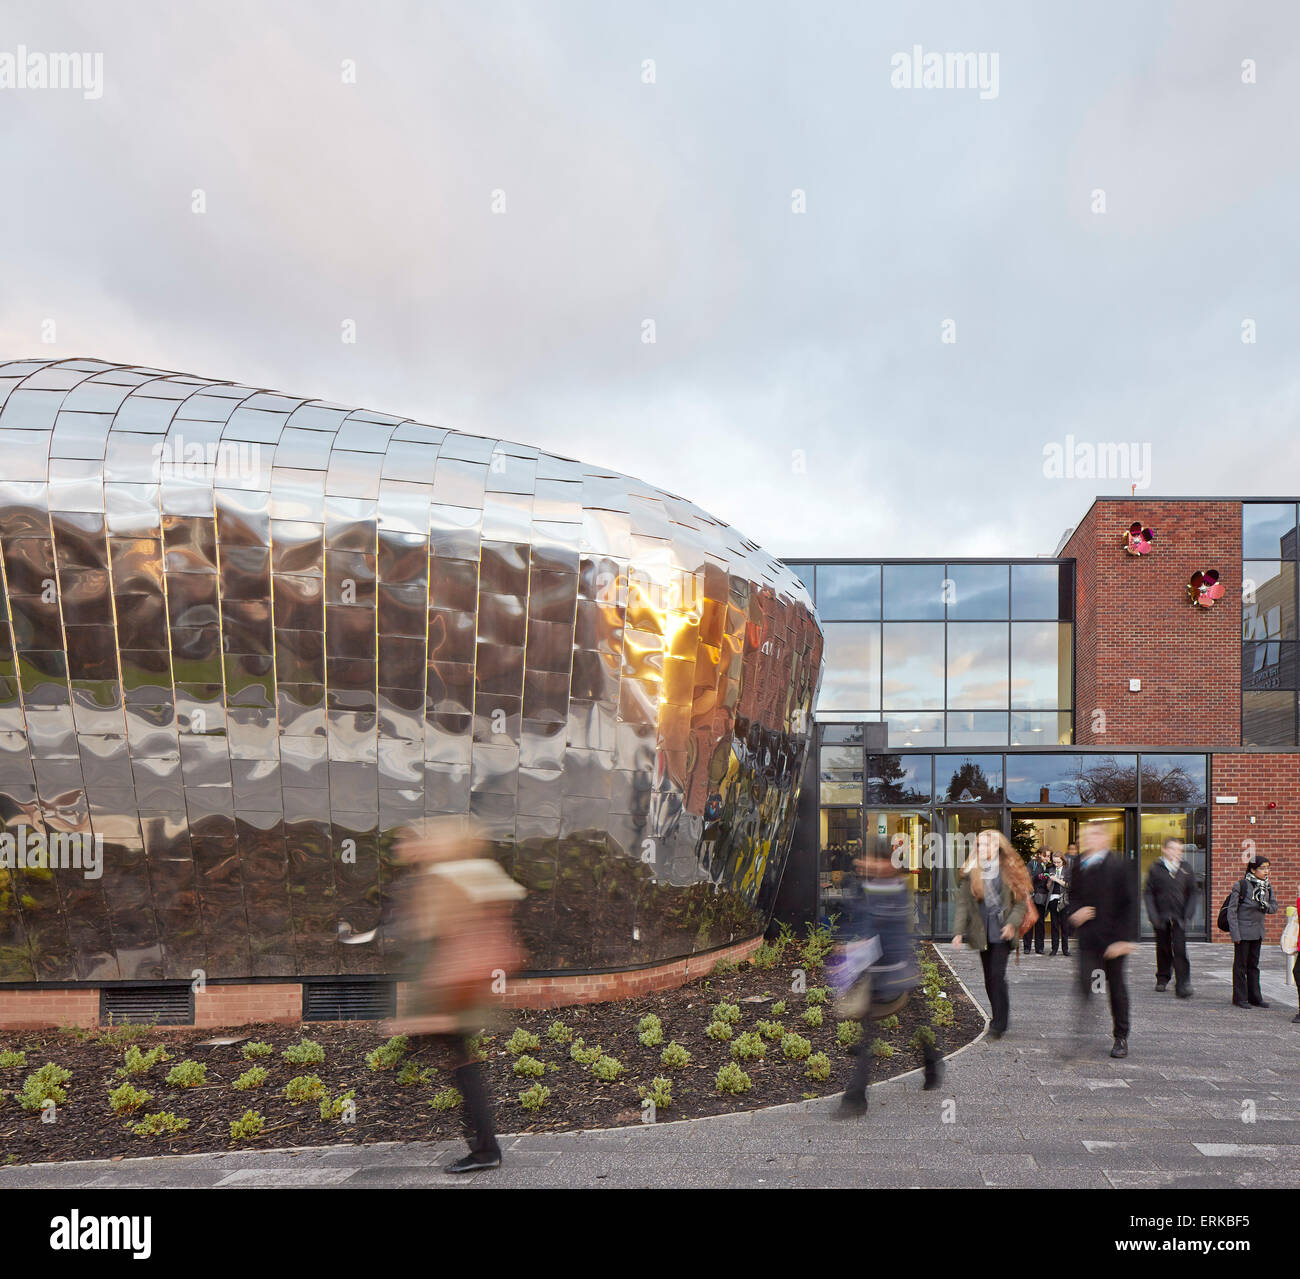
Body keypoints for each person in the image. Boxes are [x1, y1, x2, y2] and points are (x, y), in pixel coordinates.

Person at [384, 818, 526, 1173]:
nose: (401, 848)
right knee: (461, 1064)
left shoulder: (448, 877)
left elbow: (451, 945)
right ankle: (483, 1148)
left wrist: (431, 1009)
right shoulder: (462, 873)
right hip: (454, 990)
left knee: (463, 1067)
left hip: (452, 990)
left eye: (409, 841)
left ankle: (484, 1151)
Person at [834, 838, 943, 1116]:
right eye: (862, 858)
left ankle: (855, 1099)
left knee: (881, 1029)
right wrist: (852, 944)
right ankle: (931, 1061)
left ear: (884, 862)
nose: (862, 863)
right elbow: (859, 922)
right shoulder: (866, 886)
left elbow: (888, 931)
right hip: (877, 969)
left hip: (893, 970)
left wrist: (860, 946)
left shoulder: (894, 890)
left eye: (869, 858)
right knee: (916, 1021)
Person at [952, 830, 1030, 1039]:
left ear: (997, 846)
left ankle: (1000, 1023)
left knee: (997, 975)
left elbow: (1021, 903)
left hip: (1003, 930)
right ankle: (997, 1017)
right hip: (982, 931)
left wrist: (1012, 924)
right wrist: (958, 931)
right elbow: (963, 904)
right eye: (979, 845)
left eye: (986, 845)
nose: (982, 849)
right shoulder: (972, 870)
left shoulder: (1009, 870)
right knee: (989, 978)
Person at [1069, 821, 1137, 1059]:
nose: (1087, 839)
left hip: (1114, 940)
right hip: (1088, 938)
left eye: (1093, 835)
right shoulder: (1079, 864)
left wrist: (1124, 940)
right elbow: (1073, 896)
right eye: (1084, 836)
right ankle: (1083, 1025)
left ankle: (1121, 1036)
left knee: (1116, 988)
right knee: (1084, 982)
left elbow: (1130, 904)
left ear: (1105, 838)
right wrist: (1074, 913)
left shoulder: (1119, 865)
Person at [1143, 837, 1197, 998]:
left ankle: (1183, 982)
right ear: (1165, 850)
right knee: (1163, 948)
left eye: (1179, 849)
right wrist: (1153, 916)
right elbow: (1148, 893)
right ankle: (1162, 977)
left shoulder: (1186, 868)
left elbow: (1193, 892)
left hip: (1179, 917)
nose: (1177, 852)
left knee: (1180, 950)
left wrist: (1187, 914)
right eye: (1173, 848)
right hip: (1161, 917)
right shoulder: (1156, 868)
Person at [1227, 855, 1278, 1009]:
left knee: (1254, 966)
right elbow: (1232, 912)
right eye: (1262, 868)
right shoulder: (1241, 885)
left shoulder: (1267, 886)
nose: (1266, 871)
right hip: (1242, 932)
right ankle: (1240, 998)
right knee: (1240, 966)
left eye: (1268, 868)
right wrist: (1235, 934)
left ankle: (1255, 997)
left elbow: (1274, 907)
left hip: (1257, 932)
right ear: (1252, 869)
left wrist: (1266, 906)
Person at [1046, 851, 1070, 956]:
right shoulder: (1050, 870)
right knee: (1054, 925)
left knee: (1064, 925)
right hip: (1053, 899)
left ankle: (1065, 949)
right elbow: (1047, 887)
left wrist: (1056, 879)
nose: (1056, 864)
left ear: (1063, 861)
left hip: (1064, 900)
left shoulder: (1068, 871)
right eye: (1055, 862)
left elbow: (1069, 885)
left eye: (1058, 862)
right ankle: (1054, 949)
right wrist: (1050, 881)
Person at [1025, 851, 1049, 955]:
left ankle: (1039, 947)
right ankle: (1027, 947)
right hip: (1032, 896)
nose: (1047, 858)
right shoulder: (1032, 864)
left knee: (1040, 923)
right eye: (1045, 855)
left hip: (1042, 897)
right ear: (1039, 855)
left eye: (1048, 856)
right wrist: (1039, 876)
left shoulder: (1050, 866)